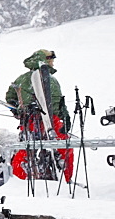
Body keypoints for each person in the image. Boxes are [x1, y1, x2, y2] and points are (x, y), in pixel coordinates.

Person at [5, 49, 73, 182]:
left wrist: (16, 109)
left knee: (27, 148)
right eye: (51, 60)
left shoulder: (23, 78)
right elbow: (58, 102)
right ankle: (67, 178)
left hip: (32, 119)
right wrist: (64, 117)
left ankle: (19, 177)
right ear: (45, 60)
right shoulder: (49, 80)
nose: (53, 62)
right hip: (49, 119)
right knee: (64, 147)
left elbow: (10, 96)